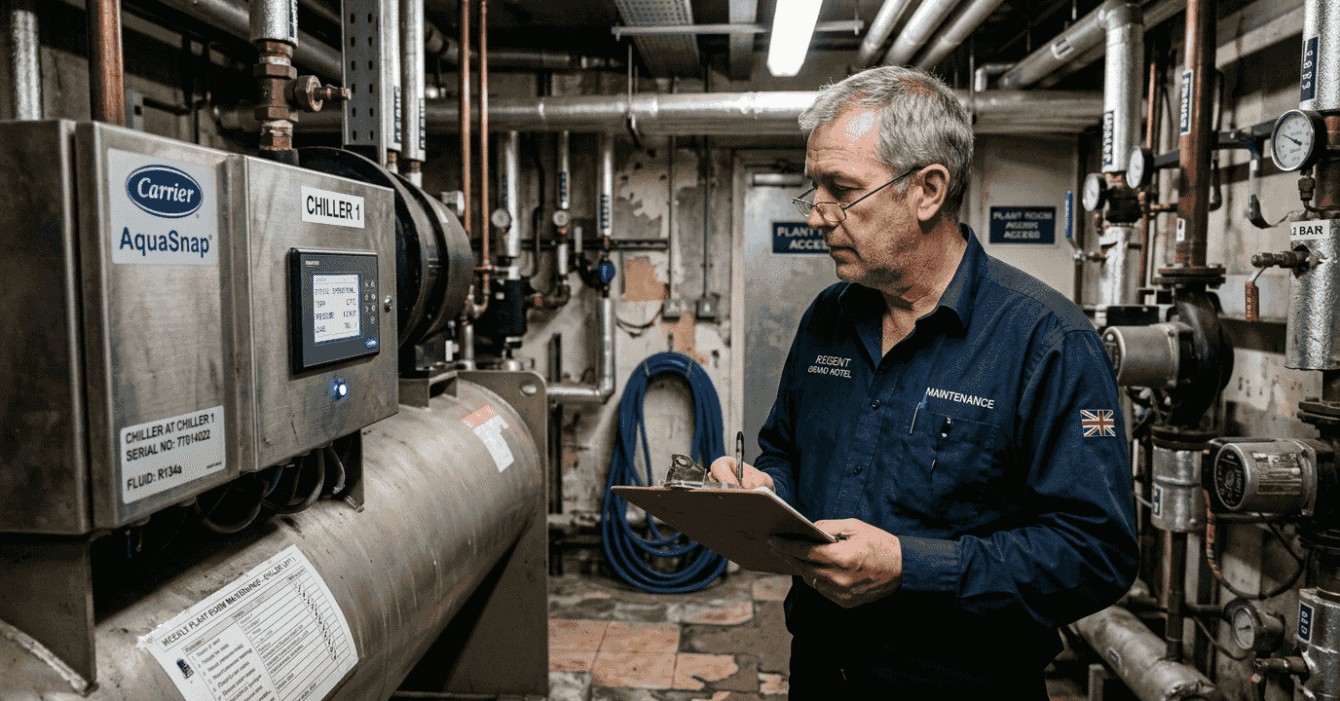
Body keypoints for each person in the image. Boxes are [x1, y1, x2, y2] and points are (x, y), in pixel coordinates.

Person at [709, 65, 1138, 697]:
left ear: (928, 190)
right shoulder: (829, 317)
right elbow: (788, 449)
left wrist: (914, 567)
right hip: (822, 670)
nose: (818, 216)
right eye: (814, 189)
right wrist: (766, 489)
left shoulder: (1047, 343)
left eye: (842, 189)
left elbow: (1095, 553)